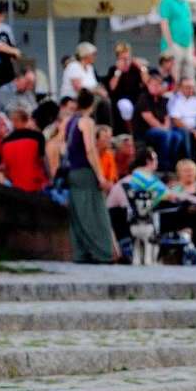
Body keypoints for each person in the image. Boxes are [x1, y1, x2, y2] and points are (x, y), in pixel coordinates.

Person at [63, 89, 114, 263]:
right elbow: (90, 149)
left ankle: (81, 252)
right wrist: (100, 176)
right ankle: (102, 252)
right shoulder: (87, 121)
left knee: (78, 213)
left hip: (73, 171)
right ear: (92, 104)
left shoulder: (69, 121)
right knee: (95, 212)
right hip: (85, 171)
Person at [135, 73, 184, 172]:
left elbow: (167, 117)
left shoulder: (163, 99)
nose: (156, 87)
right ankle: (163, 165)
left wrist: (166, 128)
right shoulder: (143, 98)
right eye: (153, 85)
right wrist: (164, 129)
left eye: (158, 85)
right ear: (148, 85)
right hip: (146, 131)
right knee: (165, 135)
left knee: (177, 136)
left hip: (162, 129)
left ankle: (173, 163)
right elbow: (149, 118)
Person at [0, 107, 46, 192]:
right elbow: (42, 161)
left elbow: (4, 166)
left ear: (13, 122)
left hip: (15, 186)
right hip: (35, 185)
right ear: (27, 120)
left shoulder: (5, 141)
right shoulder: (38, 136)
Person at [106, 43, 145, 134]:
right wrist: (118, 71)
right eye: (123, 59)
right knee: (125, 106)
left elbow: (146, 83)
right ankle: (131, 132)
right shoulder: (113, 69)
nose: (126, 61)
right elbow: (112, 87)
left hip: (136, 97)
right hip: (120, 99)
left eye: (128, 58)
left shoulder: (135, 68)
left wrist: (142, 68)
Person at [168, 76, 196, 160]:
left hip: (195, 127)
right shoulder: (175, 100)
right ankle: (189, 159)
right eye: (187, 87)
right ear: (180, 88)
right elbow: (176, 121)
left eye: (191, 87)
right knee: (185, 132)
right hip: (180, 127)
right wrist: (192, 131)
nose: (190, 90)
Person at [160, 0, 196, 81]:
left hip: (187, 45)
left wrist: (193, 49)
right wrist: (170, 45)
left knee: (190, 77)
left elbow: (188, 24)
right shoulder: (166, 1)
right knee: (175, 77)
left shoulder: (185, 3)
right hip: (174, 44)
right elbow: (164, 24)